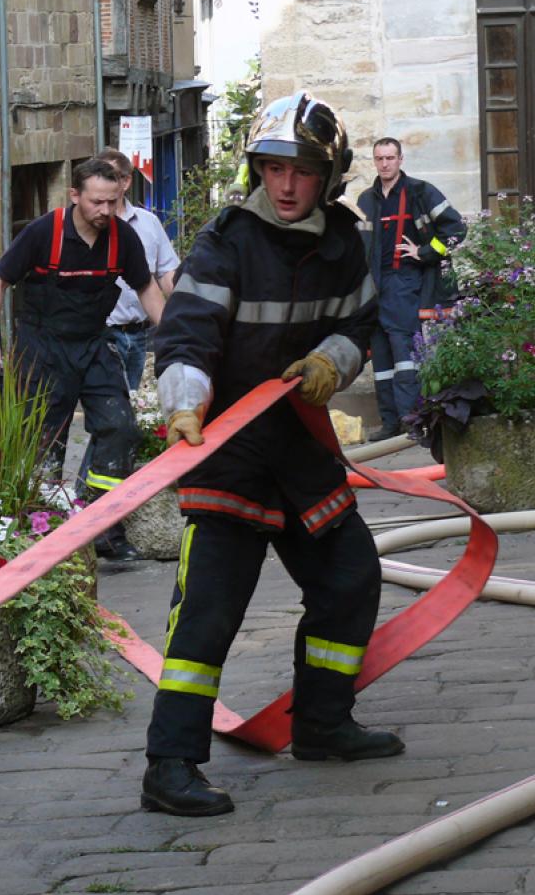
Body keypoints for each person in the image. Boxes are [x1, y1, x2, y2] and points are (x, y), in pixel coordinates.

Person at [141, 91, 404, 818]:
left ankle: (322, 725)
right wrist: (186, 403)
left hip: (300, 452)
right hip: (228, 453)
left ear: (330, 176)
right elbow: (186, 331)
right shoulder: (227, 241)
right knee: (208, 612)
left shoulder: (344, 243)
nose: (285, 186)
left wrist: (333, 360)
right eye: (272, 169)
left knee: (351, 578)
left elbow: (361, 320)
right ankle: (169, 767)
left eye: (302, 172)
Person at [0, 158, 165, 560]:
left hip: (94, 344)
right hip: (42, 348)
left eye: (113, 202)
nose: (106, 212)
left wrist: (174, 339)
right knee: (43, 443)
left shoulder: (122, 239)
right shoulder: (44, 233)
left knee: (120, 427)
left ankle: (101, 524)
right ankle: (43, 534)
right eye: (98, 202)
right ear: (76, 195)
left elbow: (147, 288)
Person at [76, 147, 179, 493]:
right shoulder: (84, 223)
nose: (106, 187)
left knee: (124, 418)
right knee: (115, 418)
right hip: (104, 335)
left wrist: (181, 319)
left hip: (139, 335)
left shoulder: (147, 224)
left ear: (125, 182)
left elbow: (164, 276)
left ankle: (104, 491)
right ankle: (89, 495)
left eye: (113, 178)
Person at [357, 138, 466, 441]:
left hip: (405, 283)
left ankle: (410, 423)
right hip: (375, 288)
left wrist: (424, 252)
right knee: (380, 357)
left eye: (390, 158)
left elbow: (456, 229)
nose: (385, 164)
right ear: (374, 161)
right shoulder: (366, 200)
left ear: (401, 159)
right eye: (379, 158)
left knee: (404, 354)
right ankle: (390, 424)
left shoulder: (421, 192)